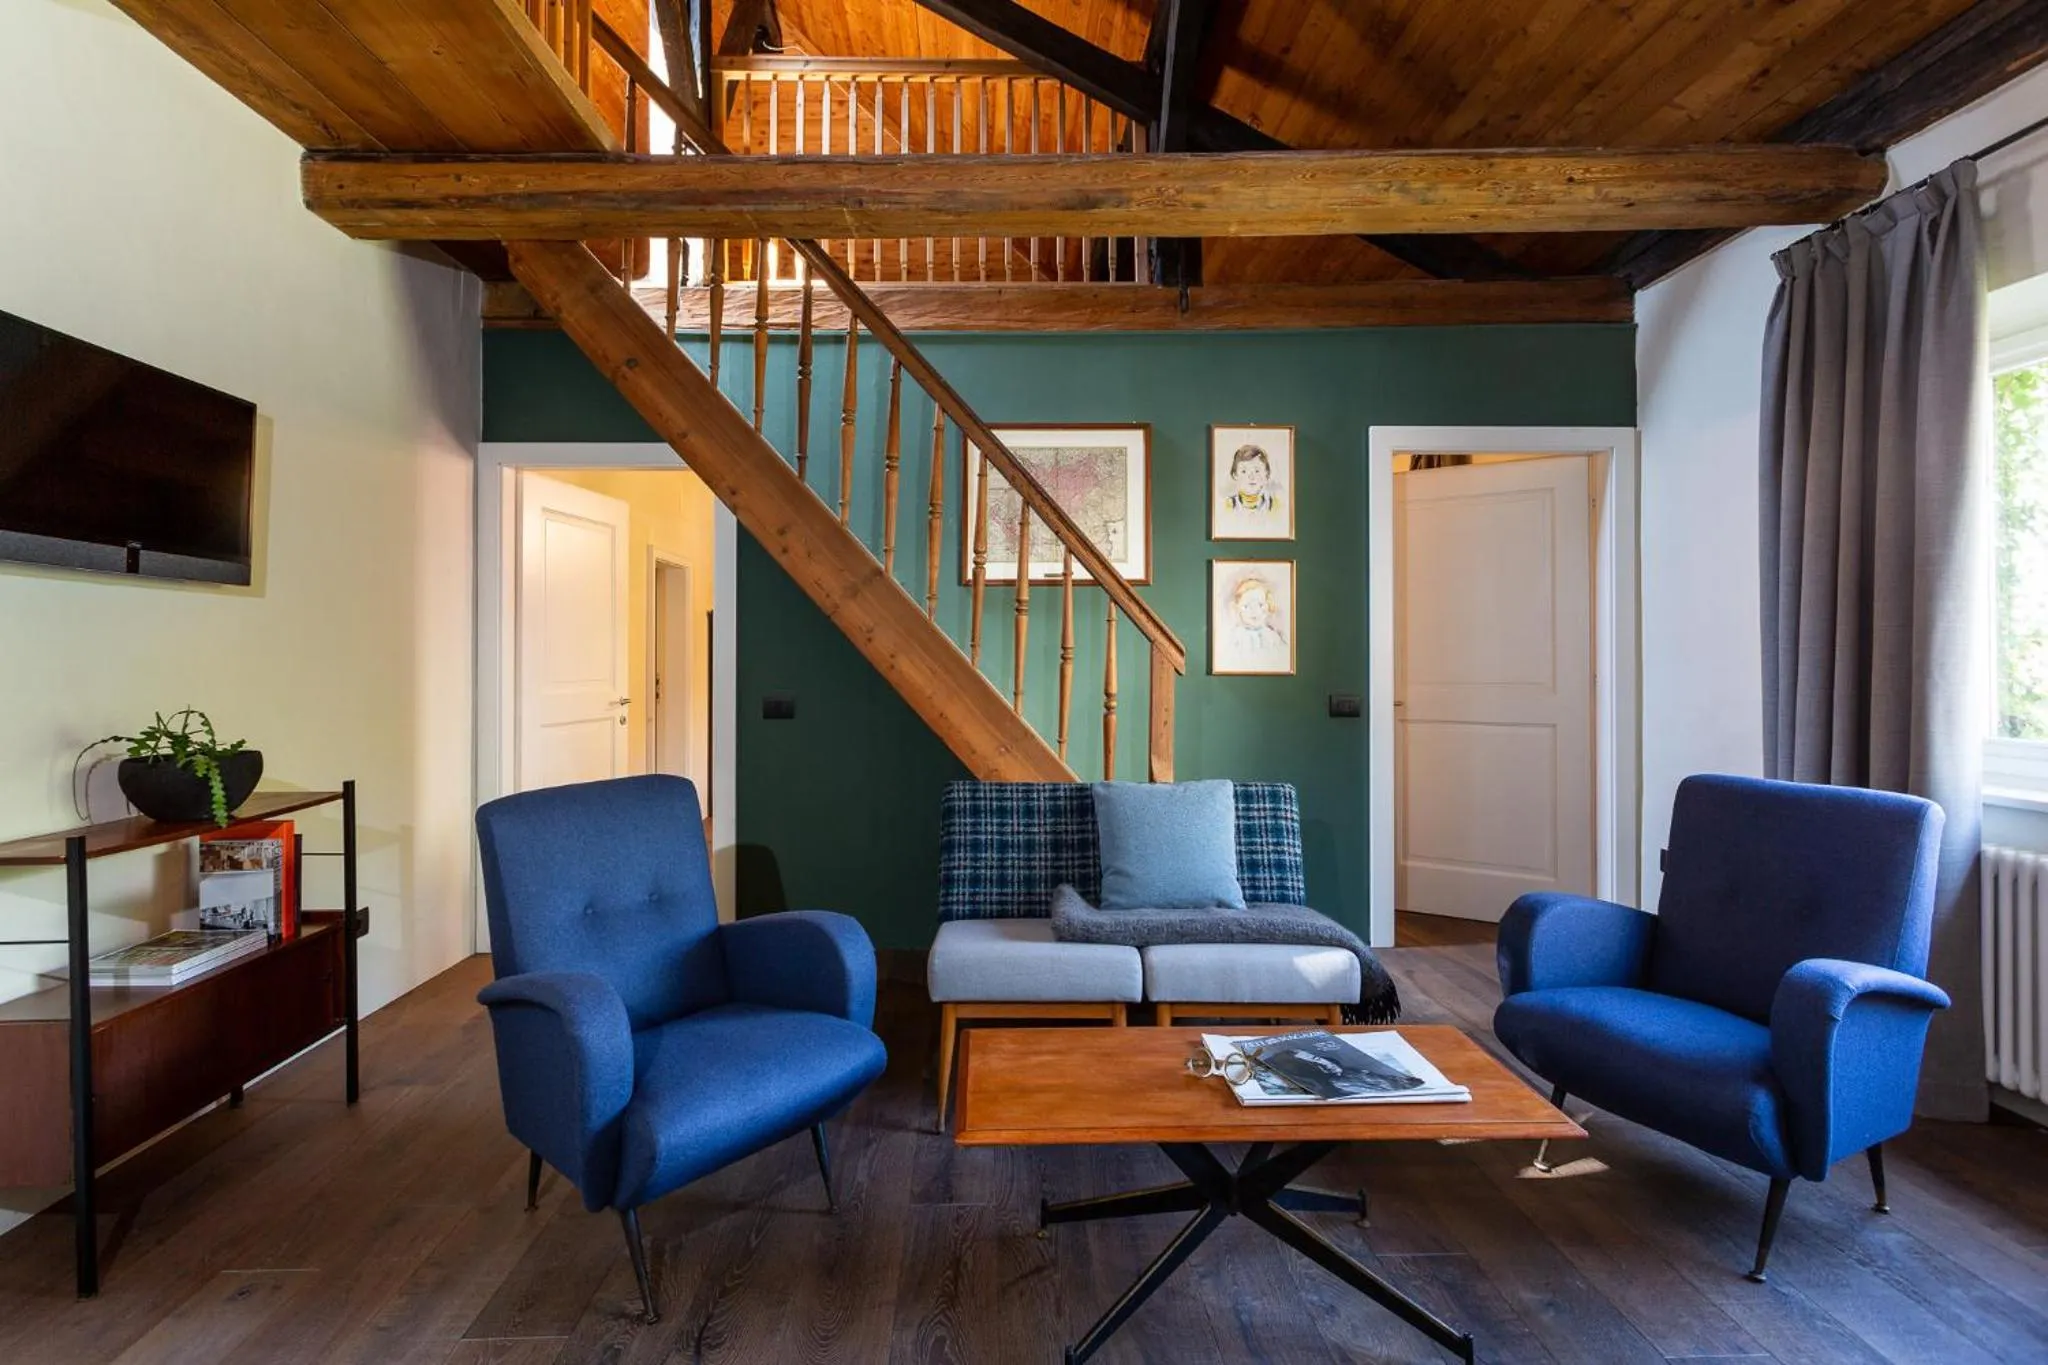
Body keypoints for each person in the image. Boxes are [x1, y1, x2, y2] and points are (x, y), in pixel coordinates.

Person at [1226, 575, 1287, 657]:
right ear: (1237, 608)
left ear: (1268, 605)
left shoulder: (1272, 636)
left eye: (1260, 605)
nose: (1254, 611)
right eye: (1246, 606)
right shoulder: (1236, 636)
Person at [1221, 444, 1279, 522]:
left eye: (1257, 471)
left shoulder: (1274, 505)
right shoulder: (1229, 505)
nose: (1251, 477)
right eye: (1244, 471)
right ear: (1235, 475)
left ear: (1266, 474)